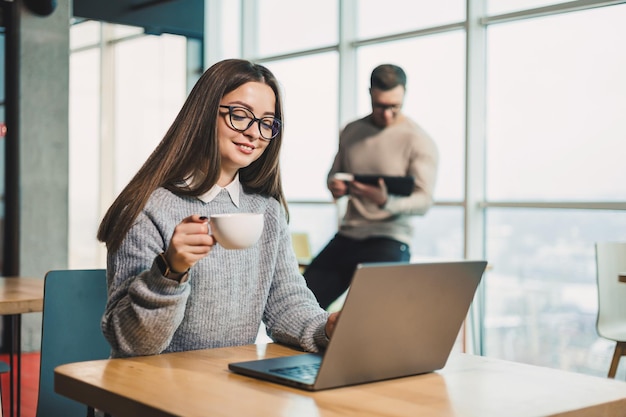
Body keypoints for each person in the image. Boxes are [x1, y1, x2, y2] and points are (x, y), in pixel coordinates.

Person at [97, 58, 339, 358]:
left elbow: (286, 302)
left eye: (266, 123)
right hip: (153, 391)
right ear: (204, 114)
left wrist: (326, 328)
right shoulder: (148, 208)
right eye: (240, 115)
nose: (254, 132)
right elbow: (132, 344)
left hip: (231, 386)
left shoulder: (267, 211)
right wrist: (170, 271)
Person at [304, 64, 439, 310]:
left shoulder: (418, 140)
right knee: (300, 304)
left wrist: (385, 201)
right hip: (349, 234)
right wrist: (335, 186)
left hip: (389, 238)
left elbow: (424, 201)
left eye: (394, 107)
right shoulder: (352, 131)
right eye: (380, 106)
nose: (387, 114)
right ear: (370, 94)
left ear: (404, 94)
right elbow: (334, 173)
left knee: (372, 317)